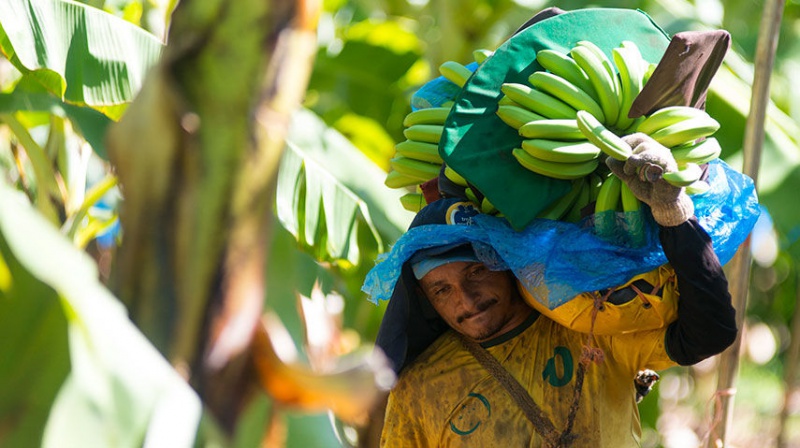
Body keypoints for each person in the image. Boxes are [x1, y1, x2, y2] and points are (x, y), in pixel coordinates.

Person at [368, 133, 738, 447]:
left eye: (476, 271)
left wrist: (675, 220)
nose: (465, 299)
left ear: (507, 262)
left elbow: (710, 333)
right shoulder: (420, 388)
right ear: (424, 299)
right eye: (441, 290)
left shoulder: (589, 328)